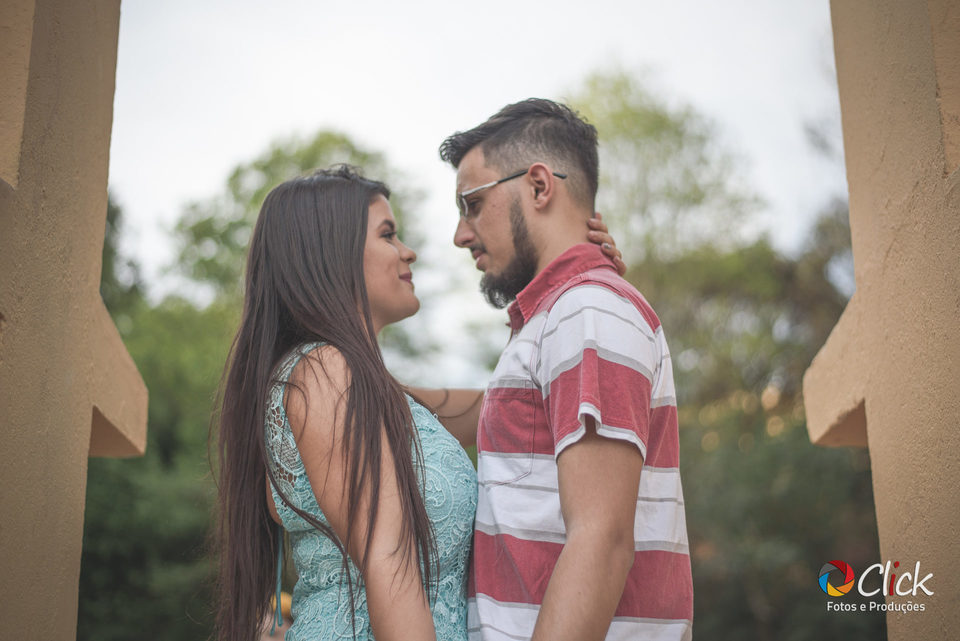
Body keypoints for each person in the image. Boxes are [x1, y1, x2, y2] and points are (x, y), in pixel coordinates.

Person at [211, 165, 624, 641]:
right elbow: (390, 561)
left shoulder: (375, 393)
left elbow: (514, 407)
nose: (408, 251)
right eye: (388, 234)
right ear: (331, 253)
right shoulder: (324, 374)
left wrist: (580, 286)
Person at [439, 99, 694, 641]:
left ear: (538, 186)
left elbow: (602, 540)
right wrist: (364, 387)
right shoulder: (563, 315)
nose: (461, 233)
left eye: (472, 204)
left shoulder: (586, 310)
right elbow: (492, 414)